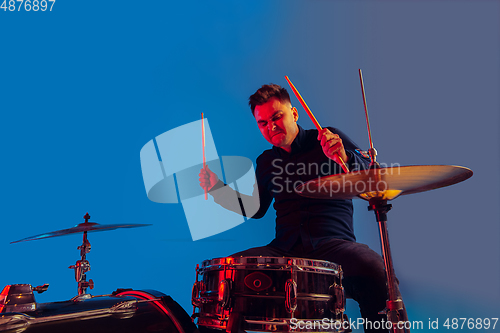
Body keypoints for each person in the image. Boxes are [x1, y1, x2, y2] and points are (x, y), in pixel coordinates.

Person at [199, 84, 401, 333]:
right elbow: (257, 209)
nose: (271, 127)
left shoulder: (327, 137)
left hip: (333, 245)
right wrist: (217, 188)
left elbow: (373, 170)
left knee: (375, 269)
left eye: (276, 117)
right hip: (284, 248)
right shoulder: (266, 161)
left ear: (294, 113)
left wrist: (346, 157)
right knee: (226, 275)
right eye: (263, 123)